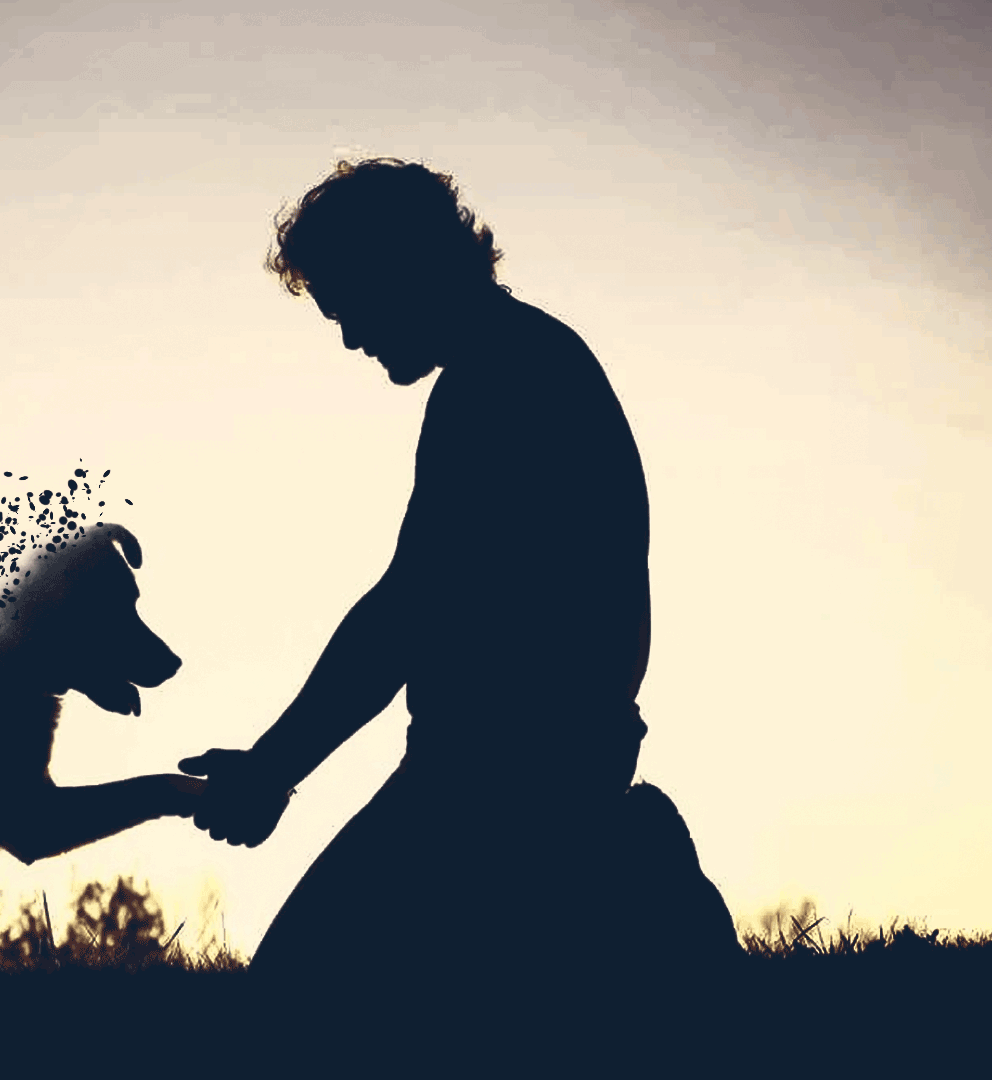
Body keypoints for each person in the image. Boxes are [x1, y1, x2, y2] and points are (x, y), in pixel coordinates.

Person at [179, 159, 657, 1009]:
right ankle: (633, 890)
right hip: (522, 768)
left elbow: (409, 609)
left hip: (499, 787)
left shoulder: (505, 381)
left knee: (291, 1010)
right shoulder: (521, 360)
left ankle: (641, 889)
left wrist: (274, 767)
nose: (350, 338)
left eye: (350, 305)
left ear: (401, 268)